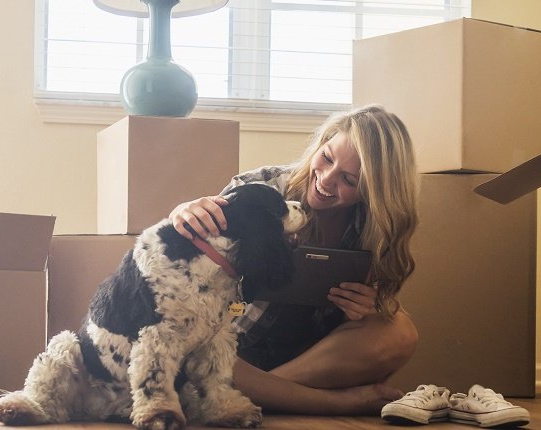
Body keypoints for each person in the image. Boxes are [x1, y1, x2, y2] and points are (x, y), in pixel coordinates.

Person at [169, 104, 419, 415]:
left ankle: (257, 394)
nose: (326, 180)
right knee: (196, 346)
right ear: (321, 143)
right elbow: (192, 276)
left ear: (375, 190)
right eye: (326, 158)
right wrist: (183, 213)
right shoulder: (262, 188)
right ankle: (332, 403)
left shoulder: (373, 227)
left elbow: (369, 327)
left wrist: (363, 309)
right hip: (235, 345)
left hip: (307, 358)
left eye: (349, 180)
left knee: (400, 331)